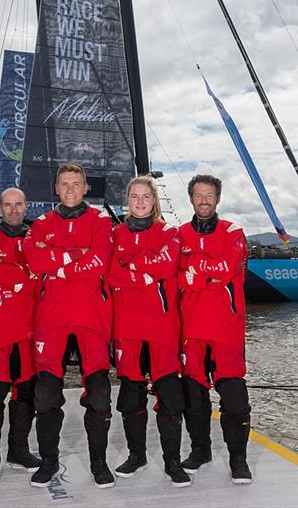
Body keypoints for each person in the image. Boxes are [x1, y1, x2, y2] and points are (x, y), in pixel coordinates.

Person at [24, 162, 115, 488]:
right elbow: (34, 259)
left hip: (92, 317)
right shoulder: (41, 223)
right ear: (56, 189)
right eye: (65, 184)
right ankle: (49, 463)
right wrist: (75, 255)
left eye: (77, 184)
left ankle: (99, 463)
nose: (71, 189)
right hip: (52, 318)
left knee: (101, 395)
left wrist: (58, 263)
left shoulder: (100, 222)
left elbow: (99, 261)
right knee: (46, 395)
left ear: (86, 187)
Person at [107, 176, 190, 487]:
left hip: (161, 326)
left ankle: (172, 461)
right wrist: (143, 273)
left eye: (146, 196)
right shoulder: (114, 233)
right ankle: (136, 455)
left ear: (154, 201)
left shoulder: (169, 232)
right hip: (127, 326)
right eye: (134, 196)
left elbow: (166, 267)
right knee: (131, 394)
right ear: (127, 199)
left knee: (169, 395)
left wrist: (132, 265)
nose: (140, 202)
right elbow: (111, 274)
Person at [177, 174, 252, 484]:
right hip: (191, 329)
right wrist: (202, 273)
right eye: (199, 195)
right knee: (194, 398)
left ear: (218, 199)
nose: (204, 200)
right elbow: (174, 275)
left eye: (209, 195)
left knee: (234, 399)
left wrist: (196, 268)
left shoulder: (233, 231)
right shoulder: (178, 234)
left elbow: (227, 268)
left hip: (225, 329)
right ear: (191, 199)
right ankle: (201, 450)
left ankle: (238, 459)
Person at [0, 187, 42, 481]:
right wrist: (26, 274)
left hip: (29, 329)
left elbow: (42, 270)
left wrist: (18, 275)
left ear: (26, 206)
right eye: (8, 205)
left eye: (18, 205)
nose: (13, 210)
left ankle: (19, 450)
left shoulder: (36, 239)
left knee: (25, 394)